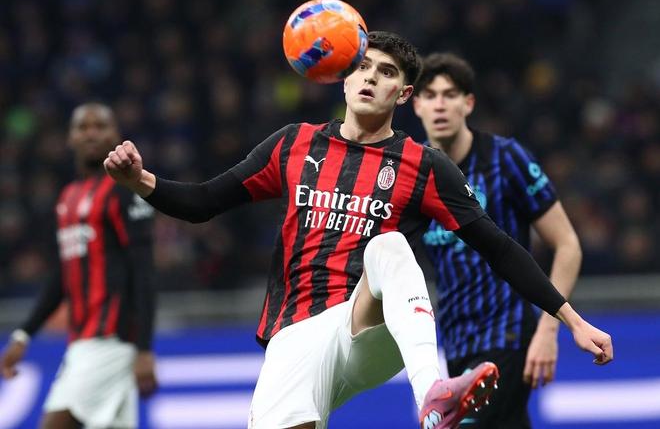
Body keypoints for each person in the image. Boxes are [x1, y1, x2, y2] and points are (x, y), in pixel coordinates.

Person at [104, 31, 612, 429]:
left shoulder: (423, 165)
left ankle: (432, 393)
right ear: (343, 79)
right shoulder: (293, 144)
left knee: (389, 245)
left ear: (403, 93)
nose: (370, 78)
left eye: (386, 72)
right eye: (362, 67)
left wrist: (571, 320)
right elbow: (203, 202)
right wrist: (141, 181)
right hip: (293, 335)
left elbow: (498, 247)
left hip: (366, 323)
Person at [413, 52, 583, 428]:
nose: (440, 104)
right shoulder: (414, 172)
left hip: (509, 333)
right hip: (456, 341)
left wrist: (548, 329)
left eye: (450, 94)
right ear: (416, 104)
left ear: (468, 103)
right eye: (431, 95)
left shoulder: (505, 159)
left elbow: (567, 244)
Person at [1, 103, 158, 429]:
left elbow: (143, 271)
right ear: (70, 138)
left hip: (110, 339)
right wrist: (24, 333)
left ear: (115, 135)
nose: (91, 134)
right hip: (81, 339)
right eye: (82, 127)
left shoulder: (125, 191)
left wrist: (145, 348)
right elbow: (63, 275)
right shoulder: (68, 197)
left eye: (99, 126)